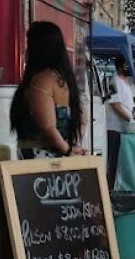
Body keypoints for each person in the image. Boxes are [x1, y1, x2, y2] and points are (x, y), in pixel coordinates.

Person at [11, 21, 85, 160]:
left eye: (29, 44)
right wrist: (72, 147)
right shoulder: (64, 79)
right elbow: (82, 118)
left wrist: (68, 151)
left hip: (39, 160)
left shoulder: (42, 79)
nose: (26, 50)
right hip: (59, 159)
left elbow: (48, 127)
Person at [106, 58, 135, 184]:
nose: (129, 67)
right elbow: (116, 105)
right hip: (114, 128)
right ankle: (109, 190)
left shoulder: (126, 83)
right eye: (126, 65)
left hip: (124, 128)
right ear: (119, 67)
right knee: (112, 162)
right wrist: (131, 119)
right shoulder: (114, 81)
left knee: (118, 163)